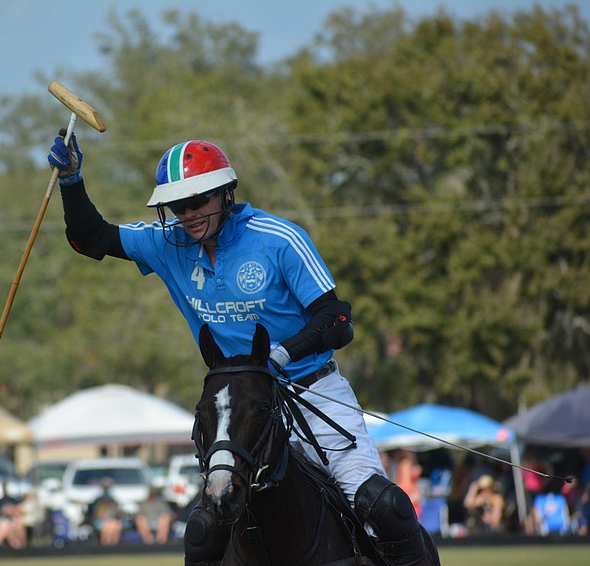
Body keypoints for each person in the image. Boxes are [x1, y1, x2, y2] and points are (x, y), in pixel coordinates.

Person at [49, 136, 431, 565]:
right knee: (203, 532)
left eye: (198, 201)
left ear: (225, 193)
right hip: (240, 406)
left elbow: (336, 320)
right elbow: (90, 237)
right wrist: (71, 180)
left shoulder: (277, 237)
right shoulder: (166, 242)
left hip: (312, 393)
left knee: (386, 508)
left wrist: (281, 356)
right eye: (179, 206)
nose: (189, 215)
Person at [86, 478, 123, 546]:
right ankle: (105, 546)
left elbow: (117, 513)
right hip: (100, 521)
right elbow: (96, 514)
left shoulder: (113, 500)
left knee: (115, 525)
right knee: (107, 525)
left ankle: (114, 545)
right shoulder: (98, 501)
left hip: (112, 520)